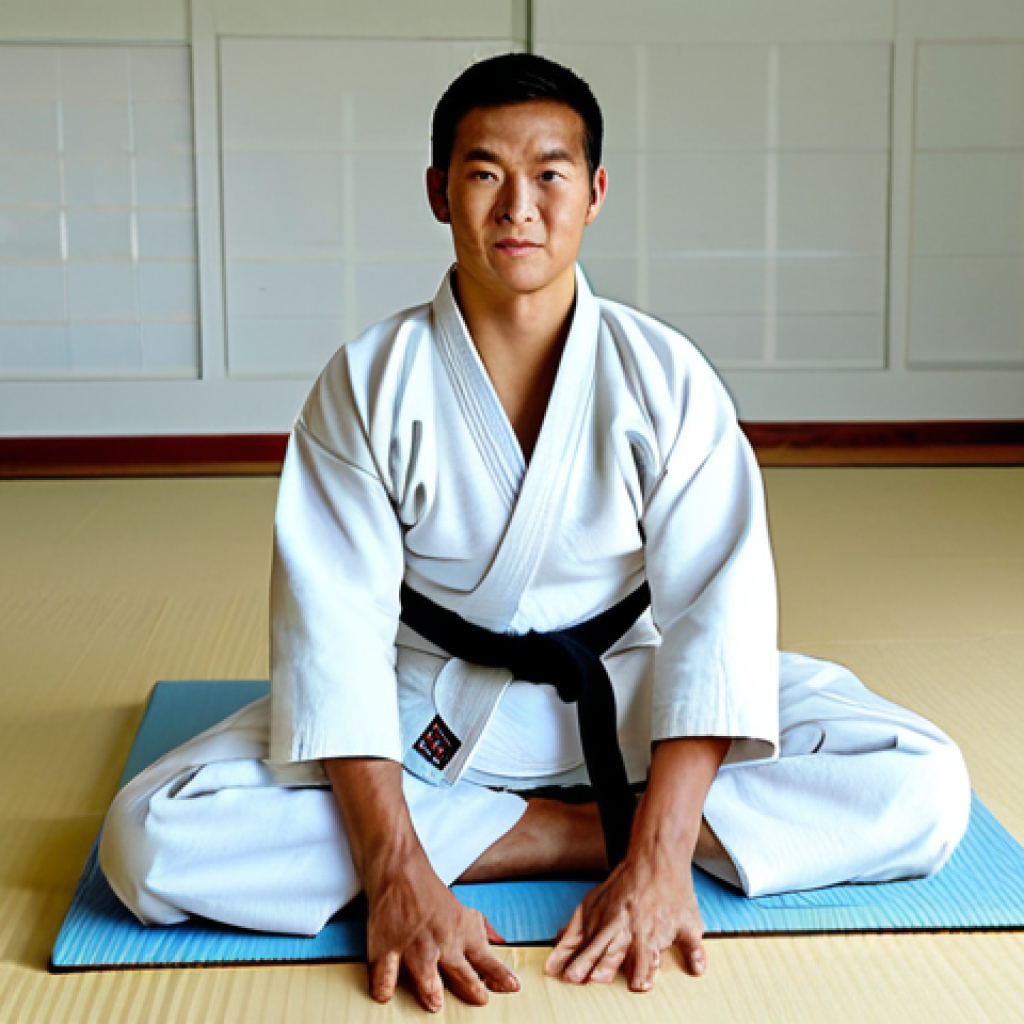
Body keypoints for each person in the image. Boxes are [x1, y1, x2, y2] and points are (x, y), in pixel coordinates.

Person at [99, 53, 971, 1011]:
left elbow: (716, 627)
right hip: (426, 709)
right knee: (149, 838)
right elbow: (332, 637)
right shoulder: (367, 383)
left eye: (550, 173)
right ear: (439, 191)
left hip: (630, 695)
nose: (519, 206)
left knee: (924, 786)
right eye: (484, 174)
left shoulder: (667, 379)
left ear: (595, 192)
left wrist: (663, 855)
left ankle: (569, 832)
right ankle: (580, 831)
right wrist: (394, 872)